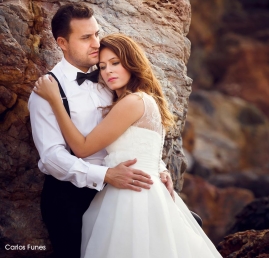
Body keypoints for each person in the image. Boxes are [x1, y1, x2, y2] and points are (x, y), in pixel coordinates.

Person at [33, 33, 223, 258]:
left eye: (115, 63)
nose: (108, 71)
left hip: (130, 196)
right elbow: (142, 147)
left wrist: (55, 100)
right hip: (136, 188)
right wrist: (160, 168)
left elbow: (82, 148)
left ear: (132, 63)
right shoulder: (141, 100)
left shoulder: (132, 102)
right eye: (102, 66)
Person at [28, 3, 173, 258]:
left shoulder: (110, 77)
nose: (96, 43)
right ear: (62, 43)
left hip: (118, 194)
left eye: (96, 33)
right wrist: (104, 174)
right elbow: (51, 157)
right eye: (85, 38)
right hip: (70, 198)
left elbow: (131, 133)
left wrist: (158, 168)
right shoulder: (47, 91)